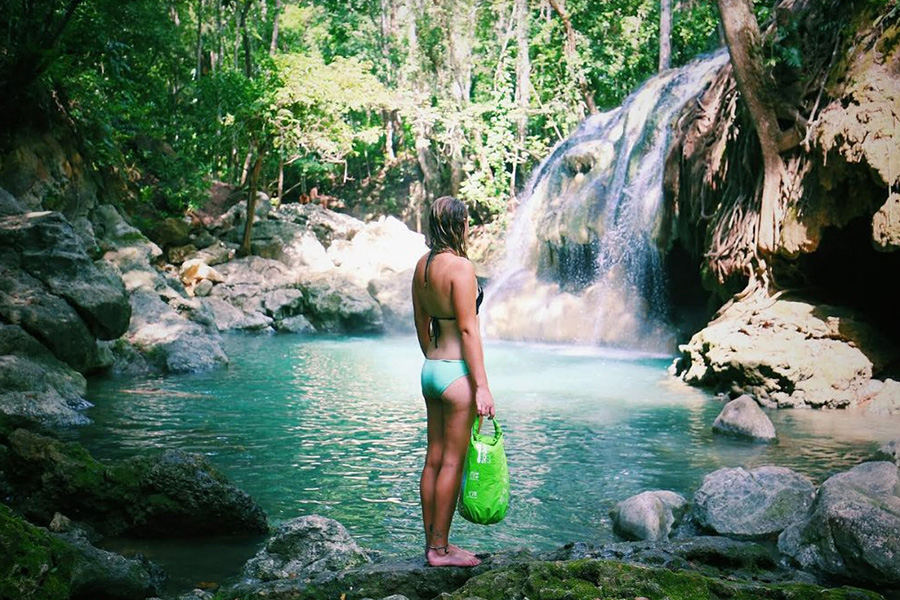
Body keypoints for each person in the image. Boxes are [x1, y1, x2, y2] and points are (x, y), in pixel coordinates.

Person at [411, 195, 496, 568]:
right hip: (456, 373)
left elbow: (420, 322)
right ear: (459, 225)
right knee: (452, 464)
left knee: (433, 459)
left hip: (431, 368)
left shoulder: (422, 266)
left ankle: (433, 543)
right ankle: (440, 550)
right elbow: (467, 329)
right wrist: (482, 387)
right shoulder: (461, 268)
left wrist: (432, 357)